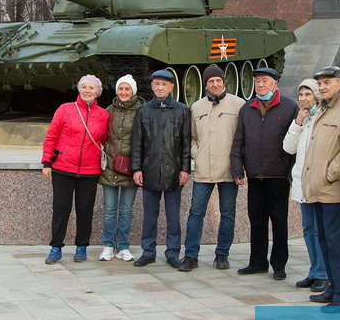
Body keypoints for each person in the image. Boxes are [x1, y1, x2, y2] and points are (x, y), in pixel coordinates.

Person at [231, 67, 297, 278]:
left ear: (275, 83)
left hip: (278, 175)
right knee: (256, 220)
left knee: (279, 221)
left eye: (265, 80)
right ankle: (257, 262)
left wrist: (291, 172)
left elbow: (294, 141)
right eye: (258, 81)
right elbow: (238, 140)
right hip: (255, 175)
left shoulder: (289, 106)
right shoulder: (247, 108)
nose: (260, 84)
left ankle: (279, 265)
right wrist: (237, 168)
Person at [302, 66, 340, 311]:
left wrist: (329, 174)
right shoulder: (322, 109)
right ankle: (333, 288)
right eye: (320, 83)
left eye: (327, 82)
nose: (322, 87)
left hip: (333, 190)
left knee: (337, 243)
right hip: (316, 189)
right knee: (324, 241)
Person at [181, 64, 245, 271]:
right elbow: (192, 136)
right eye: (211, 81)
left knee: (227, 214)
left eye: (218, 80)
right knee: (195, 213)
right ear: (205, 84)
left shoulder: (238, 105)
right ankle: (191, 255)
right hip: (203, 169)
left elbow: (244, 137)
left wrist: (240, 165)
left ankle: (222, 254)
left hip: (228, 169)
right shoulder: (197, 107)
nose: (215, 84)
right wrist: (196, 153)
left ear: (224, 82)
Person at [41, 75, 109, 264]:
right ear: (79, 89)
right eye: (84, 87)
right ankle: (56, 247)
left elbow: (105, 141)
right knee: (61, 209)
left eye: (92, 88)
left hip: (89, 170)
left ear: (98, 92)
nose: (87, 91)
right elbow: (51, 136)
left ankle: (81, 246)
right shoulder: (65, 109)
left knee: (85, 209)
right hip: (63, 167)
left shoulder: (103, 115)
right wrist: (47, 162)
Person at [130, 69, 192, 268]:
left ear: (172, 87)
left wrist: (185, 169)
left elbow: (186, 143)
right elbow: (137, 143)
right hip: (150, 169)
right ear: (151, 86)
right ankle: (148, 251)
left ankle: (173, 252)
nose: (160, 87)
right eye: (156, 84)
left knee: (173, 215)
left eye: (164, 84)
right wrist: (136, 169)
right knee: (150, 214)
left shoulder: (182, 110)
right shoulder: (143, 111)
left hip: (174, 170)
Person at [282, 78, 328, 292]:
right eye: (300, 95)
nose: (303, 99)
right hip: (302, 183)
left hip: (318, 183)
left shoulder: (322, 117)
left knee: (320, 230)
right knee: (308, 229)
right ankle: (314, 270)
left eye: (307, 94)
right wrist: (298, 122)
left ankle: (322, 273)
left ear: (316, 96)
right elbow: (288, 148)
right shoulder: (302, 118)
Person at [98, 74, 144, 262]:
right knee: (109, 209)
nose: (124, 92)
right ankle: (108, 245)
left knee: (126, 210)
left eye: (127, 89)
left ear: (133, 91)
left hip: (131, 167)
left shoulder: (142, 111)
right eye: (121, 89)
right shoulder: (109, 110)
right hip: (110, 166)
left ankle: (123, 246)